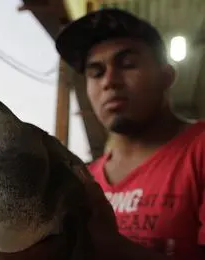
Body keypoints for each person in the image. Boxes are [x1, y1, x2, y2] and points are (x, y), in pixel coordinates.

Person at [53, 7, 205, 260]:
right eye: (96, 72)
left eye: (128, 64)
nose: (109, 81)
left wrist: (114, 246)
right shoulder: (85, 179)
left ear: (166, 76)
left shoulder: (199, 151)